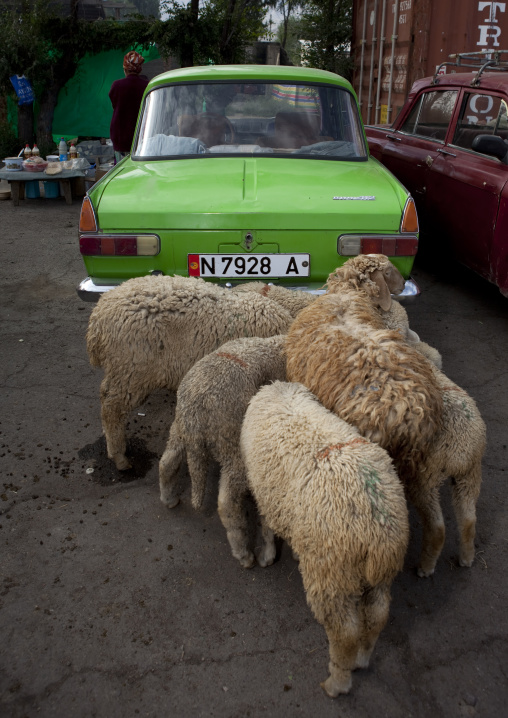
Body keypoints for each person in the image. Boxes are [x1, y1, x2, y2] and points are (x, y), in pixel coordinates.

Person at [109, 51, 149, 163]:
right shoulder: (147, 86)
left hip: (121, 138)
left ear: (125, 69)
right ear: (139, 69)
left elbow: (114, 104)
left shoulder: (117, 86)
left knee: (122, 170)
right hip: (142, 137)